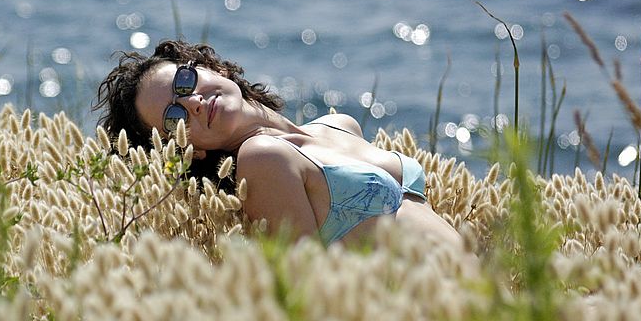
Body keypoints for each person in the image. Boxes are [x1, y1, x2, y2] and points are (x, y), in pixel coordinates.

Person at [94, 39, 464, 251]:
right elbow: (309, 283)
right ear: (189, 149)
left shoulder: (339, 125)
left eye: (184, 82)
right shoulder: (263, 159)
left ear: (211, 68)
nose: (191, 103)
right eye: (175, 117)